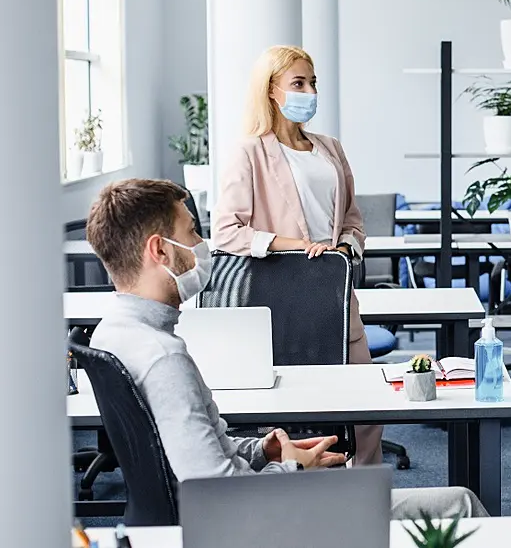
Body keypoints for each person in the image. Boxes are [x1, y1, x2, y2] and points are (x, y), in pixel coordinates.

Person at [86, 179, 488, 519]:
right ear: (159, 251)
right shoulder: (164, 359)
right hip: (260, 522)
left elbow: (192, 455)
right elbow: (219, 497)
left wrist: (264, 450)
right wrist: (294, 466)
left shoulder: (113, 333)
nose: (202, 244)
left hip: (232, 513)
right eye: (191, 232)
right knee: (461, 504)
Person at [212, 45, 382, 466]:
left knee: (368, 409)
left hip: (337, 294)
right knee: (311, 415)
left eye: (312, 82)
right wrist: (294, 246)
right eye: (298, 83)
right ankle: (310, 499)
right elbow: (226, 231)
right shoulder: (249, 152)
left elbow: (354, 221)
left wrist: (343, 247)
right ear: (272, 91)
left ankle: (364, 496)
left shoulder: (330, 149)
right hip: (284, 300)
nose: (309, 91)